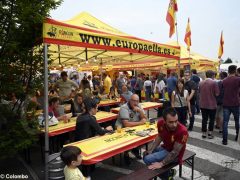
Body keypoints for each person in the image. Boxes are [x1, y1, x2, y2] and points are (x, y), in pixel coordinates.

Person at [143, 107, 188, 180]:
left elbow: (175, 152)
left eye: (176, 121)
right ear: (164, 121)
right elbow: (160, 136)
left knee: (147, 159)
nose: (174, 125)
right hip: (165, 148)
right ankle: (168, 173)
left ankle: (167, 177)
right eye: (171, 122)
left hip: (175, 154)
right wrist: (151, 150)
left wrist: (161, 164)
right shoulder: (160, 123)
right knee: (146, 153)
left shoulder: (183, 131)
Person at [75, 97, 113, 178]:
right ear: (91, 109)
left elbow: (90, 129)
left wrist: (101, 129)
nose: (97, 109)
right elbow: (101, 132)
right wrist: (107, 129)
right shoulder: (91, 118)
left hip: (79, 144)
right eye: (96, 107)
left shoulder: (79, 117)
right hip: (88, 145)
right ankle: (88, 174)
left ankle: (87, 172)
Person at [115, 94, 147, 164]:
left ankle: (135, 149)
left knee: (146, 137)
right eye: (134, 101)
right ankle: (126, 153)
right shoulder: (124, 108)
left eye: (137, 101)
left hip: (134, 127)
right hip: (122, 129)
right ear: (130, 100)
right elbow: (126, 124)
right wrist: (140, 123)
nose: (135, 103)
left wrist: (140, 111)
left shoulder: (139, 106)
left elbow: (145, 118)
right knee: (129, 139)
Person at [222, 65, 240, 145]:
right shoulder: (238, 79)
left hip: (226, 103)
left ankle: (224, 140)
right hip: (235, 103)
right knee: (237, 120)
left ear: (228, 71)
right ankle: (237, 135)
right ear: (235, 71)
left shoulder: (224, 80)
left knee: (225, 122)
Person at [199, 70, 220, 139]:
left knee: (204, 119)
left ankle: (204, 133)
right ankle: (210, 133)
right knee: (211, 119)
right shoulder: (214, 83)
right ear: (213, 75)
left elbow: (199, 92)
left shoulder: (201, 83)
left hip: (203, 104)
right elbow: (217, 94)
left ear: (206, 75)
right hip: (212, 104)